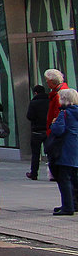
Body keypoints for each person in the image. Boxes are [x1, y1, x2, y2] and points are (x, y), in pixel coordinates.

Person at [48, 88, 78, 216]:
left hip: (66, 150)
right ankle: (75, 204)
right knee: (75, 179)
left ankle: (68, 206)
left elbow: (58, 130)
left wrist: (53, 124)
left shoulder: (65, 113)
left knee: (64, 179)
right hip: (76, 150)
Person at [28, 79, 53, 180]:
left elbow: (29, 116)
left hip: (37, 131)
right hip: (48, 130)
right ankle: (53, 174)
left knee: (35, 154)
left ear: (35, 93)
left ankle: (34, 173)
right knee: (51, 153)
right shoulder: (50, 101)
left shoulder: (34, 103)